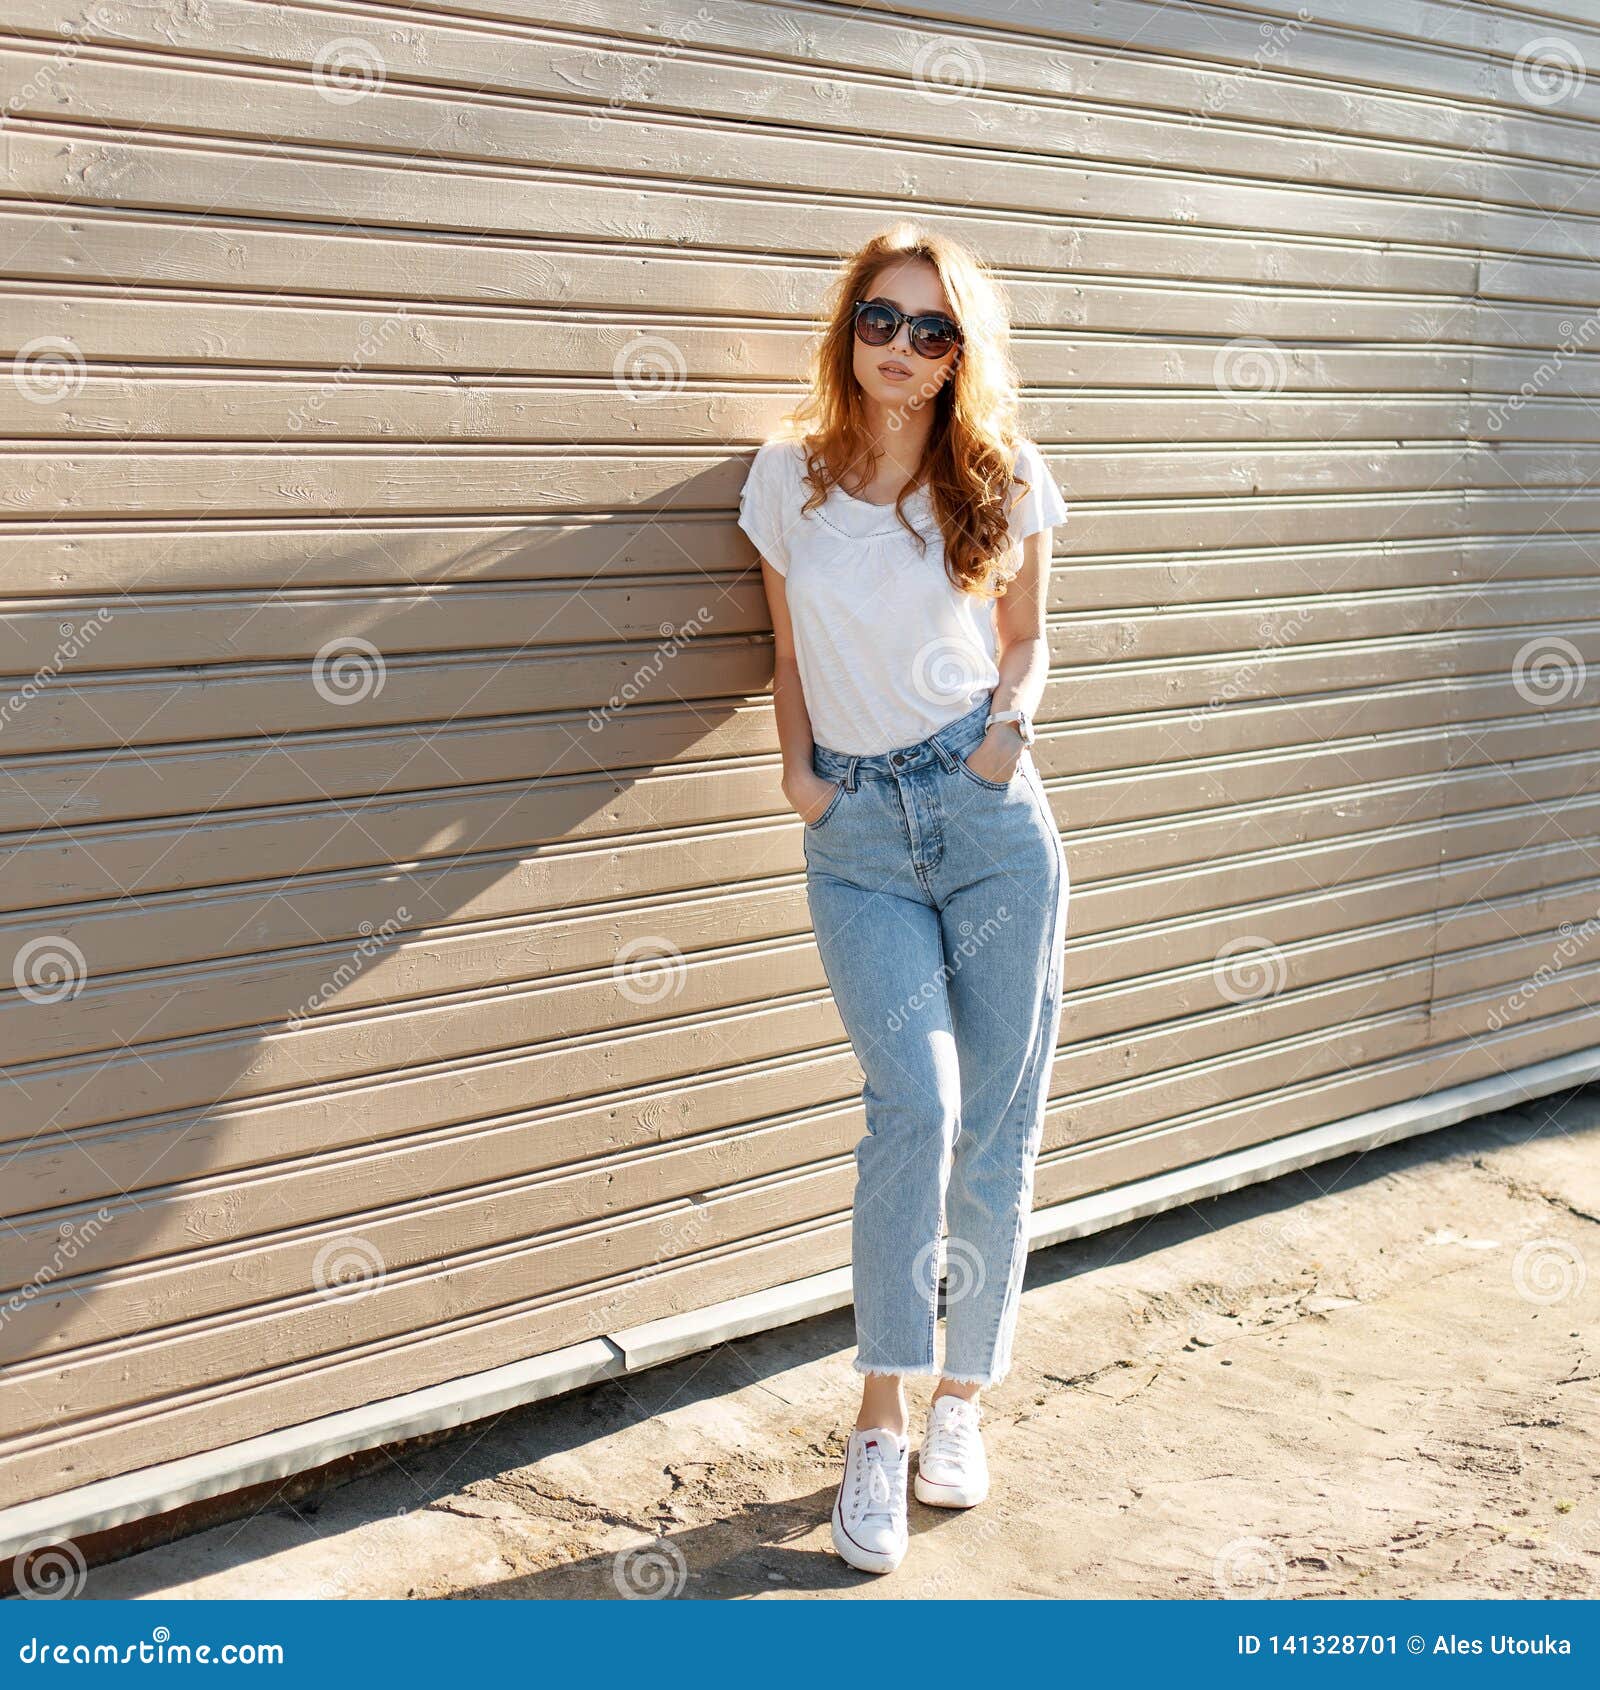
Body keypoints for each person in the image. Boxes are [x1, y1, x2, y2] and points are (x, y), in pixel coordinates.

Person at [737, 222, 1070, 1576]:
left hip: (990, 817)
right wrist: (802, 783)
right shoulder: (787, 479)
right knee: (915, 1104)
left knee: (995, 1120)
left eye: (936, 333)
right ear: (849, 326)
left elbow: (1030, 632)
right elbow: (785, 650)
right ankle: (876, 1418)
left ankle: (961, 1403)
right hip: (859, 832)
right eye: (885, 320)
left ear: (961, 354)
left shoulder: (1000, 474)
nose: (905, 352)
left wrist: (1008, 737)